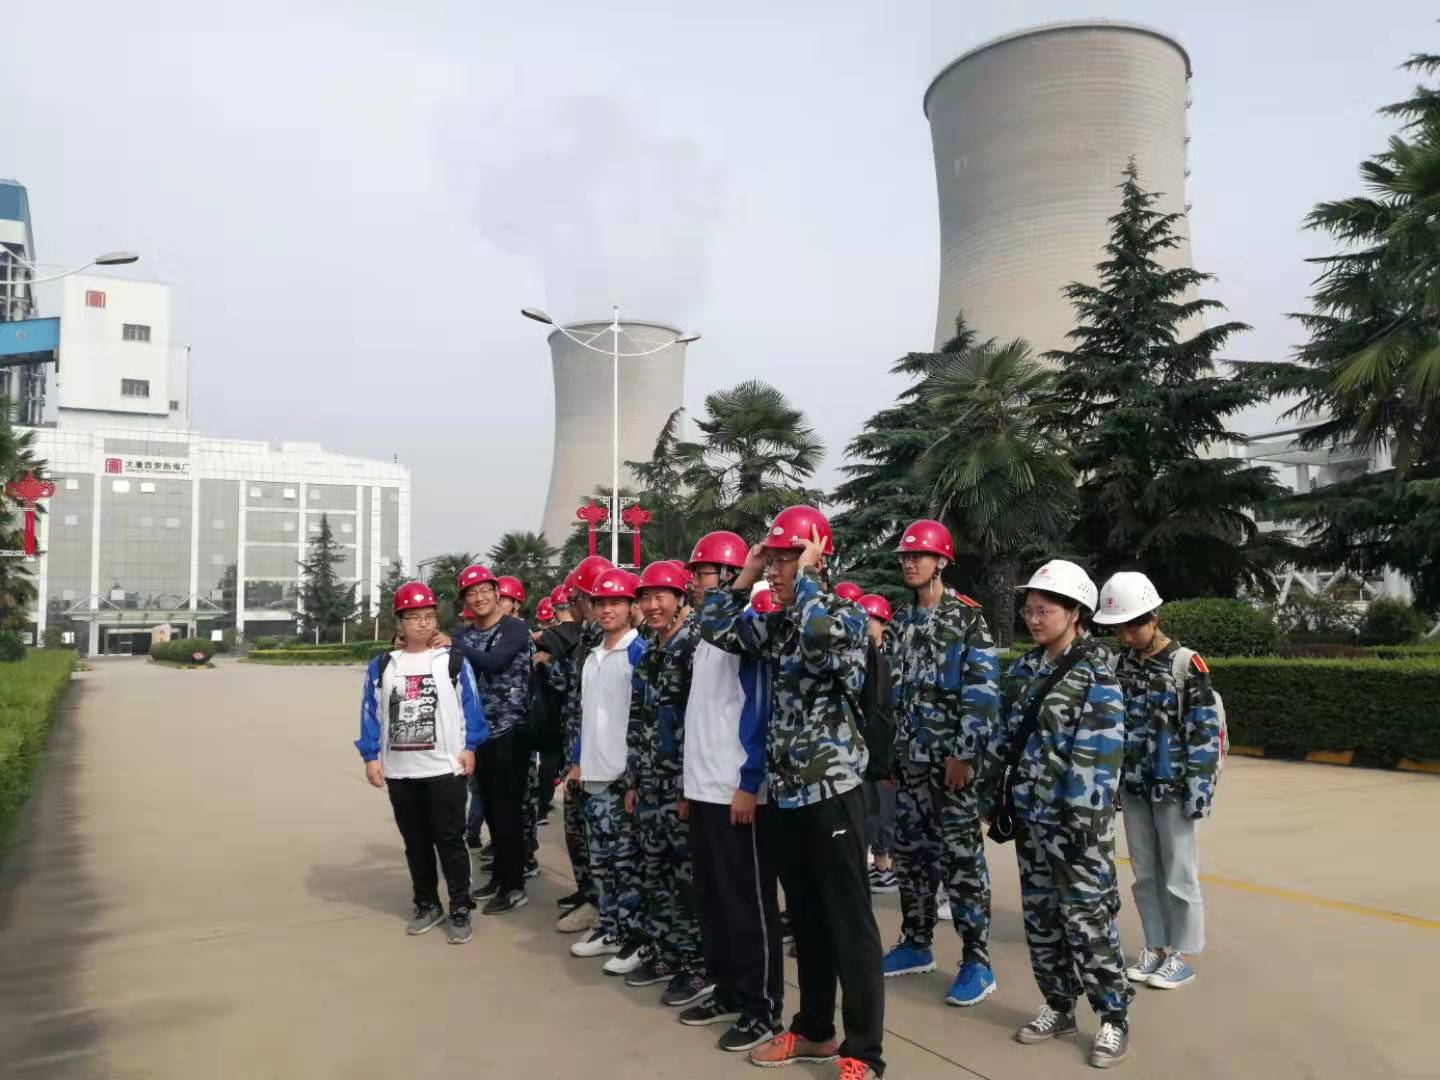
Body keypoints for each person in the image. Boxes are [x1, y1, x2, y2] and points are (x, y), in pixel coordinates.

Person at [701, 505, 886, 1080]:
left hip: (832, 793)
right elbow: (716, 626)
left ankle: (864, 1052)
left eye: (786, 559)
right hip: (787, 796)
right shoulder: (777, 622)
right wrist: (746, 572)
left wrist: (805, 575)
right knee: (805, 921)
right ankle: (814, 1031)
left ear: (814, 558)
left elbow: (821, 634)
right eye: (773, 559)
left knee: (849, 924)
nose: (776, 570)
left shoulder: (841, 614)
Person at [983, 559, 1132, 1069]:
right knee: (1042, 919)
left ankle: (1113, 1017)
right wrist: (996, 799)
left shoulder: (1095, 674)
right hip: (1032, 819)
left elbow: (1101, 757)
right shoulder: (1026, 669)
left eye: (1044, 610)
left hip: (1076, 826)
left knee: (1087, 921)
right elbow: (1005, 739)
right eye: (1029, 610)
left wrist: (1080, 825)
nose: (1033, 618)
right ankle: (1059, 1005)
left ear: (1075, 613)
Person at [883, 520, 1001, 1008]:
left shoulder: (967, 619)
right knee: (911, 857)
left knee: (961, 861)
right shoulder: (900, 622)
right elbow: (889, 693)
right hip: (909, 763)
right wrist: (891, 754)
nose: (910, 563)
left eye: (919, 556)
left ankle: (977, 961)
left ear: (942, 562)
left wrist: (965, 754)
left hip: (951, 767)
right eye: (905, 556)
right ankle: (916, 942)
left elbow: (983, 692)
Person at [676, 531, 785, 1052]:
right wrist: (688, 783)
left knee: (748, 905)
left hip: (737, 786)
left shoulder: (752, 619)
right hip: (704, 784)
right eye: (696, 575)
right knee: (714, 899)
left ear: (728, 575)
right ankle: (727, 990)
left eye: (703, 574)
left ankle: (762, 1009)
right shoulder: (708, 627)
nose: (695, 584)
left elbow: (759, 705)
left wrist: (749, 781)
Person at [1094, 571, 1221, 992]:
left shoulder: (1186, 664)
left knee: (1179, 875)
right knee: (1145, 873)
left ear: (1154, 618)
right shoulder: (1119, 665)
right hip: (1134, 788)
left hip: (1175, 789)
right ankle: (1155, 945)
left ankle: (1182, 955)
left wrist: (1199, 792)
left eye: (1133, 626)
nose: (1126, 636)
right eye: (1119, 628)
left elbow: (1204, 732)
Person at [354, 582, 487, 944]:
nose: (423, 623)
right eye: (414, 617)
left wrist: (470, 746)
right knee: (415, 842)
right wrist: (371, 756)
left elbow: (471, 707)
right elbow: (370, 713)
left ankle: (460, 907)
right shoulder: (383, 665)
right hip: (400, 770)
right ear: (400, 622)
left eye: (429, 616)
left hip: (444, 767)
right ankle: (427, 903)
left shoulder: (452, 661)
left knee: (450, 840)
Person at [622, 561, 709, 1005]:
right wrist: (634, 780)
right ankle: (667, 952)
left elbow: (700, 723)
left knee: (686, 877)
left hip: (681, 786)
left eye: (661, 596)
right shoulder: (650, 650)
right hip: (650, 783)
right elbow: (638, 720)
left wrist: (689, 788)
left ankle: (699, 964)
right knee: (654, 872)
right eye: (646, 597)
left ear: (680, 598)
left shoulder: (694, 646)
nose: (652, 605)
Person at [567, 567, 646, 966]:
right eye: (600, 603)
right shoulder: (593, 655)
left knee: (625, 863)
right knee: (600, 860)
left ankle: (632, 934)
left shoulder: (637, 651)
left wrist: (634, 778)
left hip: (621, 777)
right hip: (594, 773)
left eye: (616, 602)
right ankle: (610, 925)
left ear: (632, 607)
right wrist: (578, 761)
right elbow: (586, 715)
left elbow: (644, 719)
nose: (607, 610)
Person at [443, 565, 532, 915]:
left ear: (497, 593)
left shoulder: (514, 628)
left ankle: (514, 885)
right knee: (491, 808)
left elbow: (495, 662)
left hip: (510, 730)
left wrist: (454, 646)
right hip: (478, 734)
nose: (478, 597)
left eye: (484, 590)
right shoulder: (464, 635)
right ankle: (500, 875)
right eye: (471, 593)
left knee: (508, 809)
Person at [545, 556, 612, 933]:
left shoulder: (613, 641)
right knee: (578, 830)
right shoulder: (586, 637)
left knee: (602, 839)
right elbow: (570, 689)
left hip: (600, 759)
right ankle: (589, 895)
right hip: (576, 750)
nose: (575, 607)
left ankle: (603, 906)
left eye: (579, 600)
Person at [856, 594, 898, 896]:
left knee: (886, 812)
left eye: (871, 620)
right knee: (869, 810)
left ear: (884, 624)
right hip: (864, 747)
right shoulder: (857, 659)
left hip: (885, 748)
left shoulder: (892, 661)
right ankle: (878, 861)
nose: (866, 626)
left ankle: (886, 865)